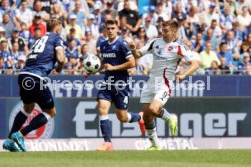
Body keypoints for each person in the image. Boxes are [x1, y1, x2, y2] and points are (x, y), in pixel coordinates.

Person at [129, 19, 200, 150]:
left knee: (154, 109)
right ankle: (156, 144)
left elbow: (196, 63)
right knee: (146, 116)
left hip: (165, 84)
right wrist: (133, 48)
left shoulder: (179, 47)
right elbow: (138, 54)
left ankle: (170, 118)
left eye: (166, 31)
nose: (163, 33)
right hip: (151, 82)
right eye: (162, 30)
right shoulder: (155, 43)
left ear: (174, 32)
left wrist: (184, 74)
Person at [2, 19, 65, 152]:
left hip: (23, 75)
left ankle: (9, 141)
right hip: (37, 77)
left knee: (28, 107)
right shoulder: (57, 37)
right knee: (51, 112)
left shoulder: (39, 38)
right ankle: (19, 135)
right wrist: (60, 66)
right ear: (58, 29)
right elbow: (61, 58)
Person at [84, 19, 145, 151]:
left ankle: (140, 117)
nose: (110, 30)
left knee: (122, 117)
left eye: (113, 28)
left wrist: (114, 68)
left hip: (121, 84)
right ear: (105, 30)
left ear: (117, 29)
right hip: (107, 82)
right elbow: (104, 63)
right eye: (108, 28)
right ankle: (107, 143)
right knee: (102, 108)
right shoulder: (103, 44)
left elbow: (132, 63)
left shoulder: (122, 44)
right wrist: (91, 71)